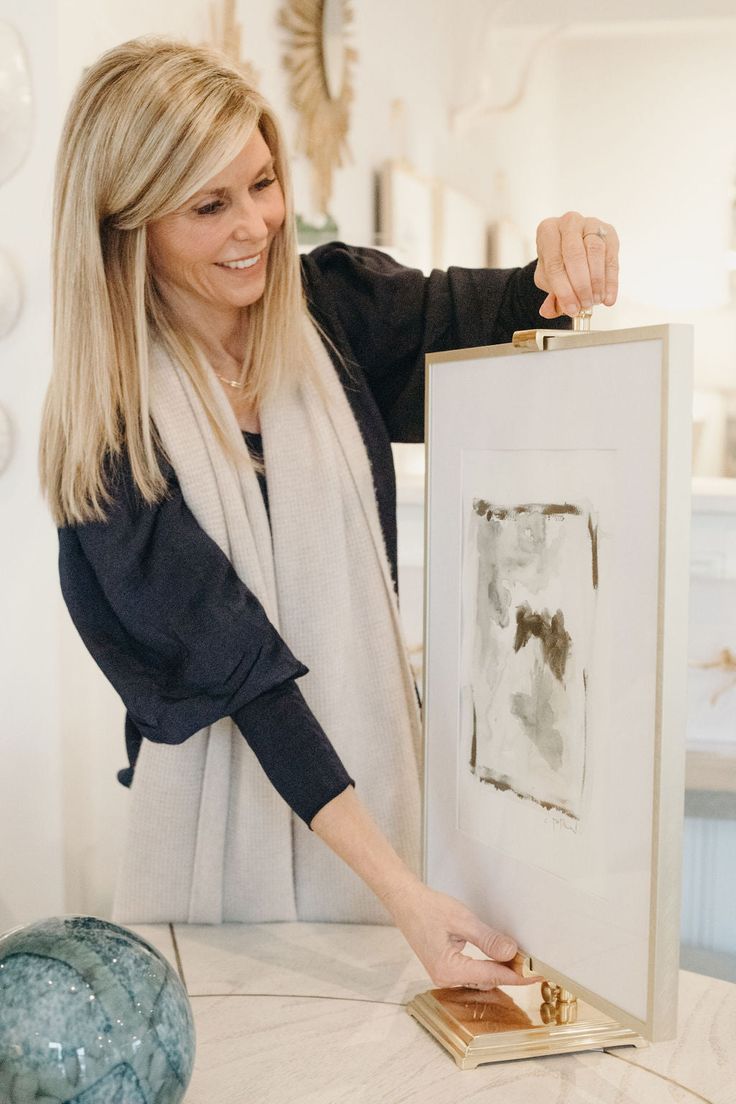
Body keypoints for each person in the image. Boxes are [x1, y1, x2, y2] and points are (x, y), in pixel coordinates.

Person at [40, 38, 619, 992]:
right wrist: (403, 892)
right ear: (127, 227)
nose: (255, 227)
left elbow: (505, 317)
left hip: (388, 824)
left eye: (262, 184)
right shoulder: (112, 439)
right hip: (222, 882)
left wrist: (567, 248)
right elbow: (245, 673)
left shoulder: (334, 316)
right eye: (208, 205)